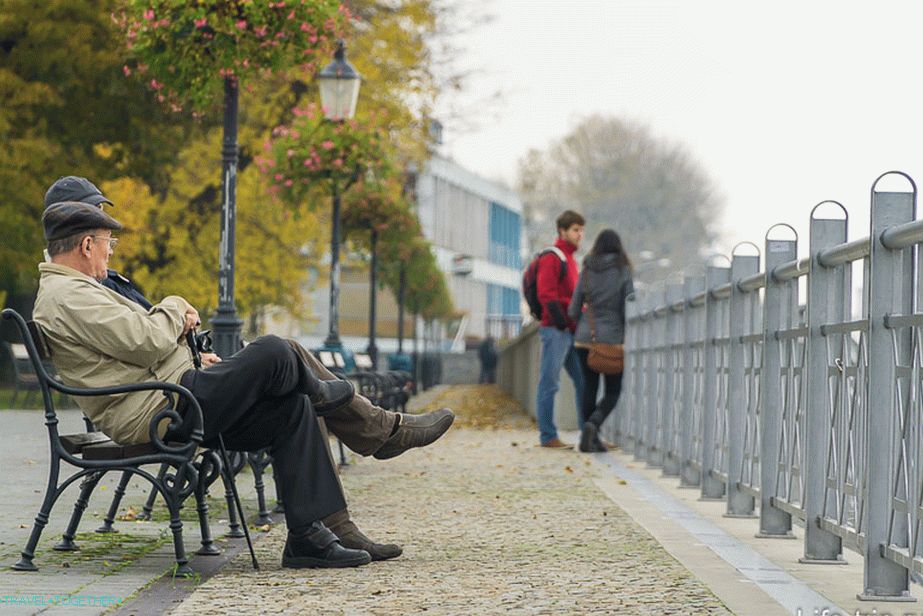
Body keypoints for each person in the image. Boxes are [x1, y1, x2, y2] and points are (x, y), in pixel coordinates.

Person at [42, 176, 455, 561]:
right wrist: (174, 303)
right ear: (87, 246)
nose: (111, 251)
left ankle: (314, 535)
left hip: (171, 395)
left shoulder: (77, 291)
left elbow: (125, 353)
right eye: (108, 243)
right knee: (277, 350)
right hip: (158, 411)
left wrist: (191, 358)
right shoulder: (70, 295)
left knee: (294, 406)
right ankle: (379, 429)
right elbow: (145, 339)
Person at [568, 229, 634, 453]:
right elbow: (628, 306)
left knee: (589, 388)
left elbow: (574, 308)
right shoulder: (623, 270)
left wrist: (580, 325)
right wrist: (625, 333)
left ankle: (589, 439)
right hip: (612, 340)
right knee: (613, 391)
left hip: (585, 339)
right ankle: (593, 425)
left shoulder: (586, 269)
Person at [535, 210, 586, 449]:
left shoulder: (571, 260)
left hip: (569, 331)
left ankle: (589, 432)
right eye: (575, 230)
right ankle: (548, 436)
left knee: (584, 380)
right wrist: (562, 322)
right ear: (562, 231)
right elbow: (547, 294)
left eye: (581, 230)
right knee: (549, 383)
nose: (580, 235)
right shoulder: (553, 257)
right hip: (556, 330)